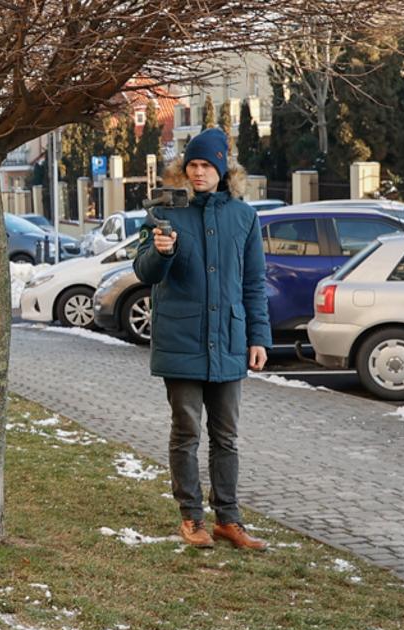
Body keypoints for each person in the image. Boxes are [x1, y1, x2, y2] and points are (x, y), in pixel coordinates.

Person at [134, 127, 270, 551]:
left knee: (226, 436)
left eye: (206, 166)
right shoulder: (164, 212)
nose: (198, 173)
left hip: (228, 339)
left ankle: (228, 520)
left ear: (222, 170)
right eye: (191, 165)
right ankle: (191, 518)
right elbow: (145, 272)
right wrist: (161, 251)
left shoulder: (244, 217)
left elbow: (253, 283)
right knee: (186, 432)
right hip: (182, 339)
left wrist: (258, 338)